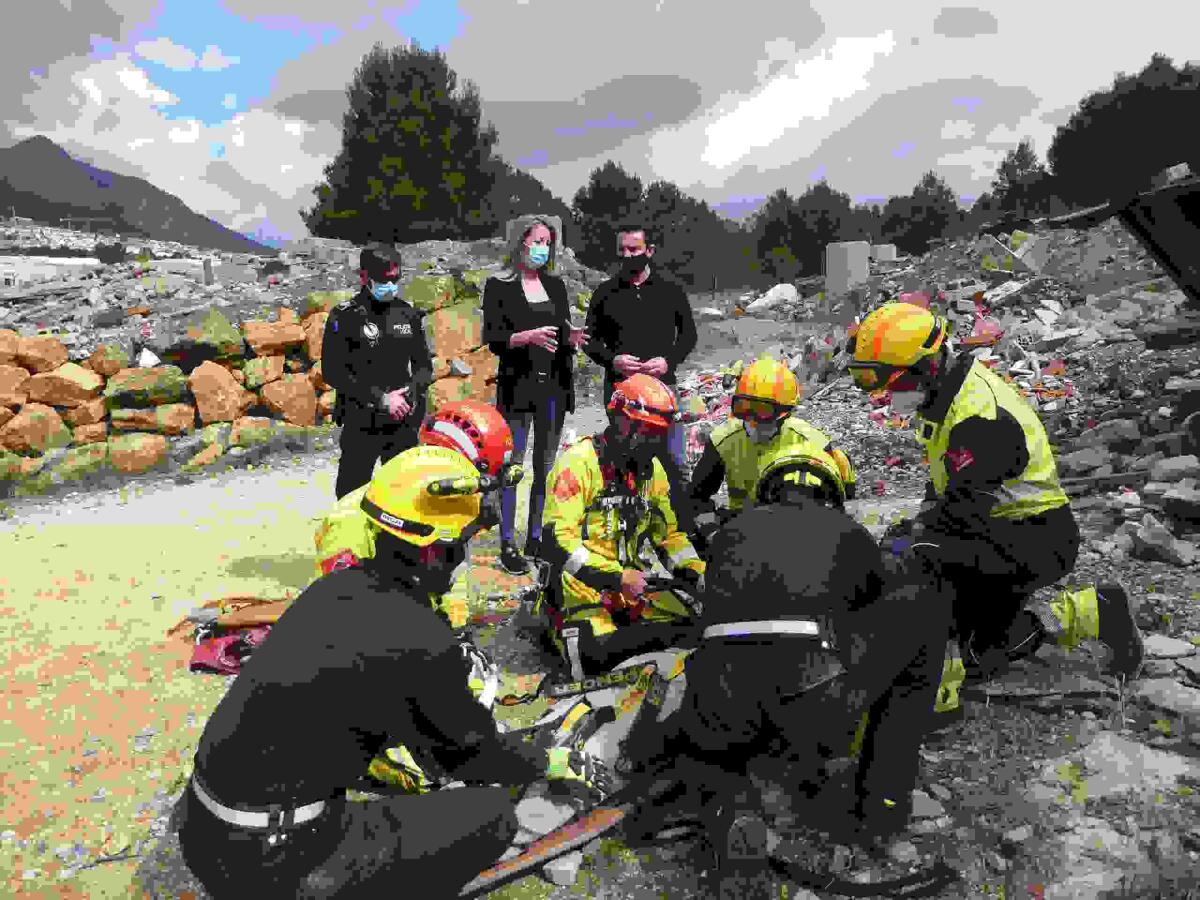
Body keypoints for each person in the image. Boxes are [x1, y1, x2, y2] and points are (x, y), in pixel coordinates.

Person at [176, 445, 610, 899]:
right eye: (460, 542)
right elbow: (470, 758)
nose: (462, 556)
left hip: (205, 833)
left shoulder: (333, 590)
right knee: (489, 815)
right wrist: (550, 759)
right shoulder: (418, 636)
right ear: (431, 552)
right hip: (272, 866)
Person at [620, 444, 949, 849]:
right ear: (830, 494)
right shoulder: (851, 534)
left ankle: (737, 783)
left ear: (766, 490)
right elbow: (873, 610)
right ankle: (883, 805)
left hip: (717, 716)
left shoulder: (728, 535)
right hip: (810, 712)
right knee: (925, 606)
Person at [845, 302, 1145, 692]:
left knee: (975, 652)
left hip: (1033, 537)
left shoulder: (980, 418)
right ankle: (977, 615)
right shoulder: (945, 398)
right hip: (997, 528)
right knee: (923, 557)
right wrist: (914, 528)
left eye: (894, 382)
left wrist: (911, 544)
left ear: (928, 366)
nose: (888, 395)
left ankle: (1096, 610)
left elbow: (962, 517)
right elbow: (944, 487)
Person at [539, 373, 706, 681]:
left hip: (633, 590)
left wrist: (695, 574)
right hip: (582, 592)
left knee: (702, 631)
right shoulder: (579, 463)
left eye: (658, 434)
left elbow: (668, 535)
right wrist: (615, 577)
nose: (650, 442)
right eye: (644, 431)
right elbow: (554, 541)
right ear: (619, 420)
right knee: (596, 663)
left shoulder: (652, 471)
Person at [312, 399, 520, 630]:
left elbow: (454, 583)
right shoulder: (350, 520)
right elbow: (345, 616)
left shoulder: (445, 514)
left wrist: (454, 631)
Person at [481, 216, 588, 575]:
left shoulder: (556, 286)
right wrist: (525, 337)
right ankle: (508, 542)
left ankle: (536, 538)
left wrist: (570, 338)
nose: (542, 248)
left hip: (554, 386)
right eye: (537, 240)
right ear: (519, 243)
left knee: (545, 468)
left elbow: (562, 328)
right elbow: (494, 338)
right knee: (512, 468)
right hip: (517, 386)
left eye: (547, 242)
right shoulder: (498, 286)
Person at [583, 223, 697, 523]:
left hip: (664, 390)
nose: (627, 255)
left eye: (633, 249)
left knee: (675, 462)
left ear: (650, 251)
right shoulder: (605, 292)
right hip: (623, 394)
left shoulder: (670, 290)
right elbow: (588, 341)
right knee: (626, 463)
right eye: (622, 250)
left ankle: (685, 529)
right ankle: (629, 531)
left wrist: (668, 361)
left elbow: (688, 337)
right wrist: (613, 360)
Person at [686, 354, 857, 547]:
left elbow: (840, 502)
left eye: (762, 410)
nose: (752, 419)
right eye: (744, 407)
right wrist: (711, 532)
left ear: (785, 412)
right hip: (740, 530)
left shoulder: (811, 441)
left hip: (798, 529)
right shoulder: (722, 440)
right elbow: (696, 497)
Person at [322, 242, 433, 500]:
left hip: (402, 420)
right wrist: (381, 399)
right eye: (384, 279)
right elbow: (333, 371)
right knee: (351, 494)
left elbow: (424, 367)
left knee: (404, 495)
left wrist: (410, 393)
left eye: (396, 279)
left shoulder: (407, 314)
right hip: (362, 420)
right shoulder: (345, 316)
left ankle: (397, 542)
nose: (391, 285)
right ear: (364, 276)